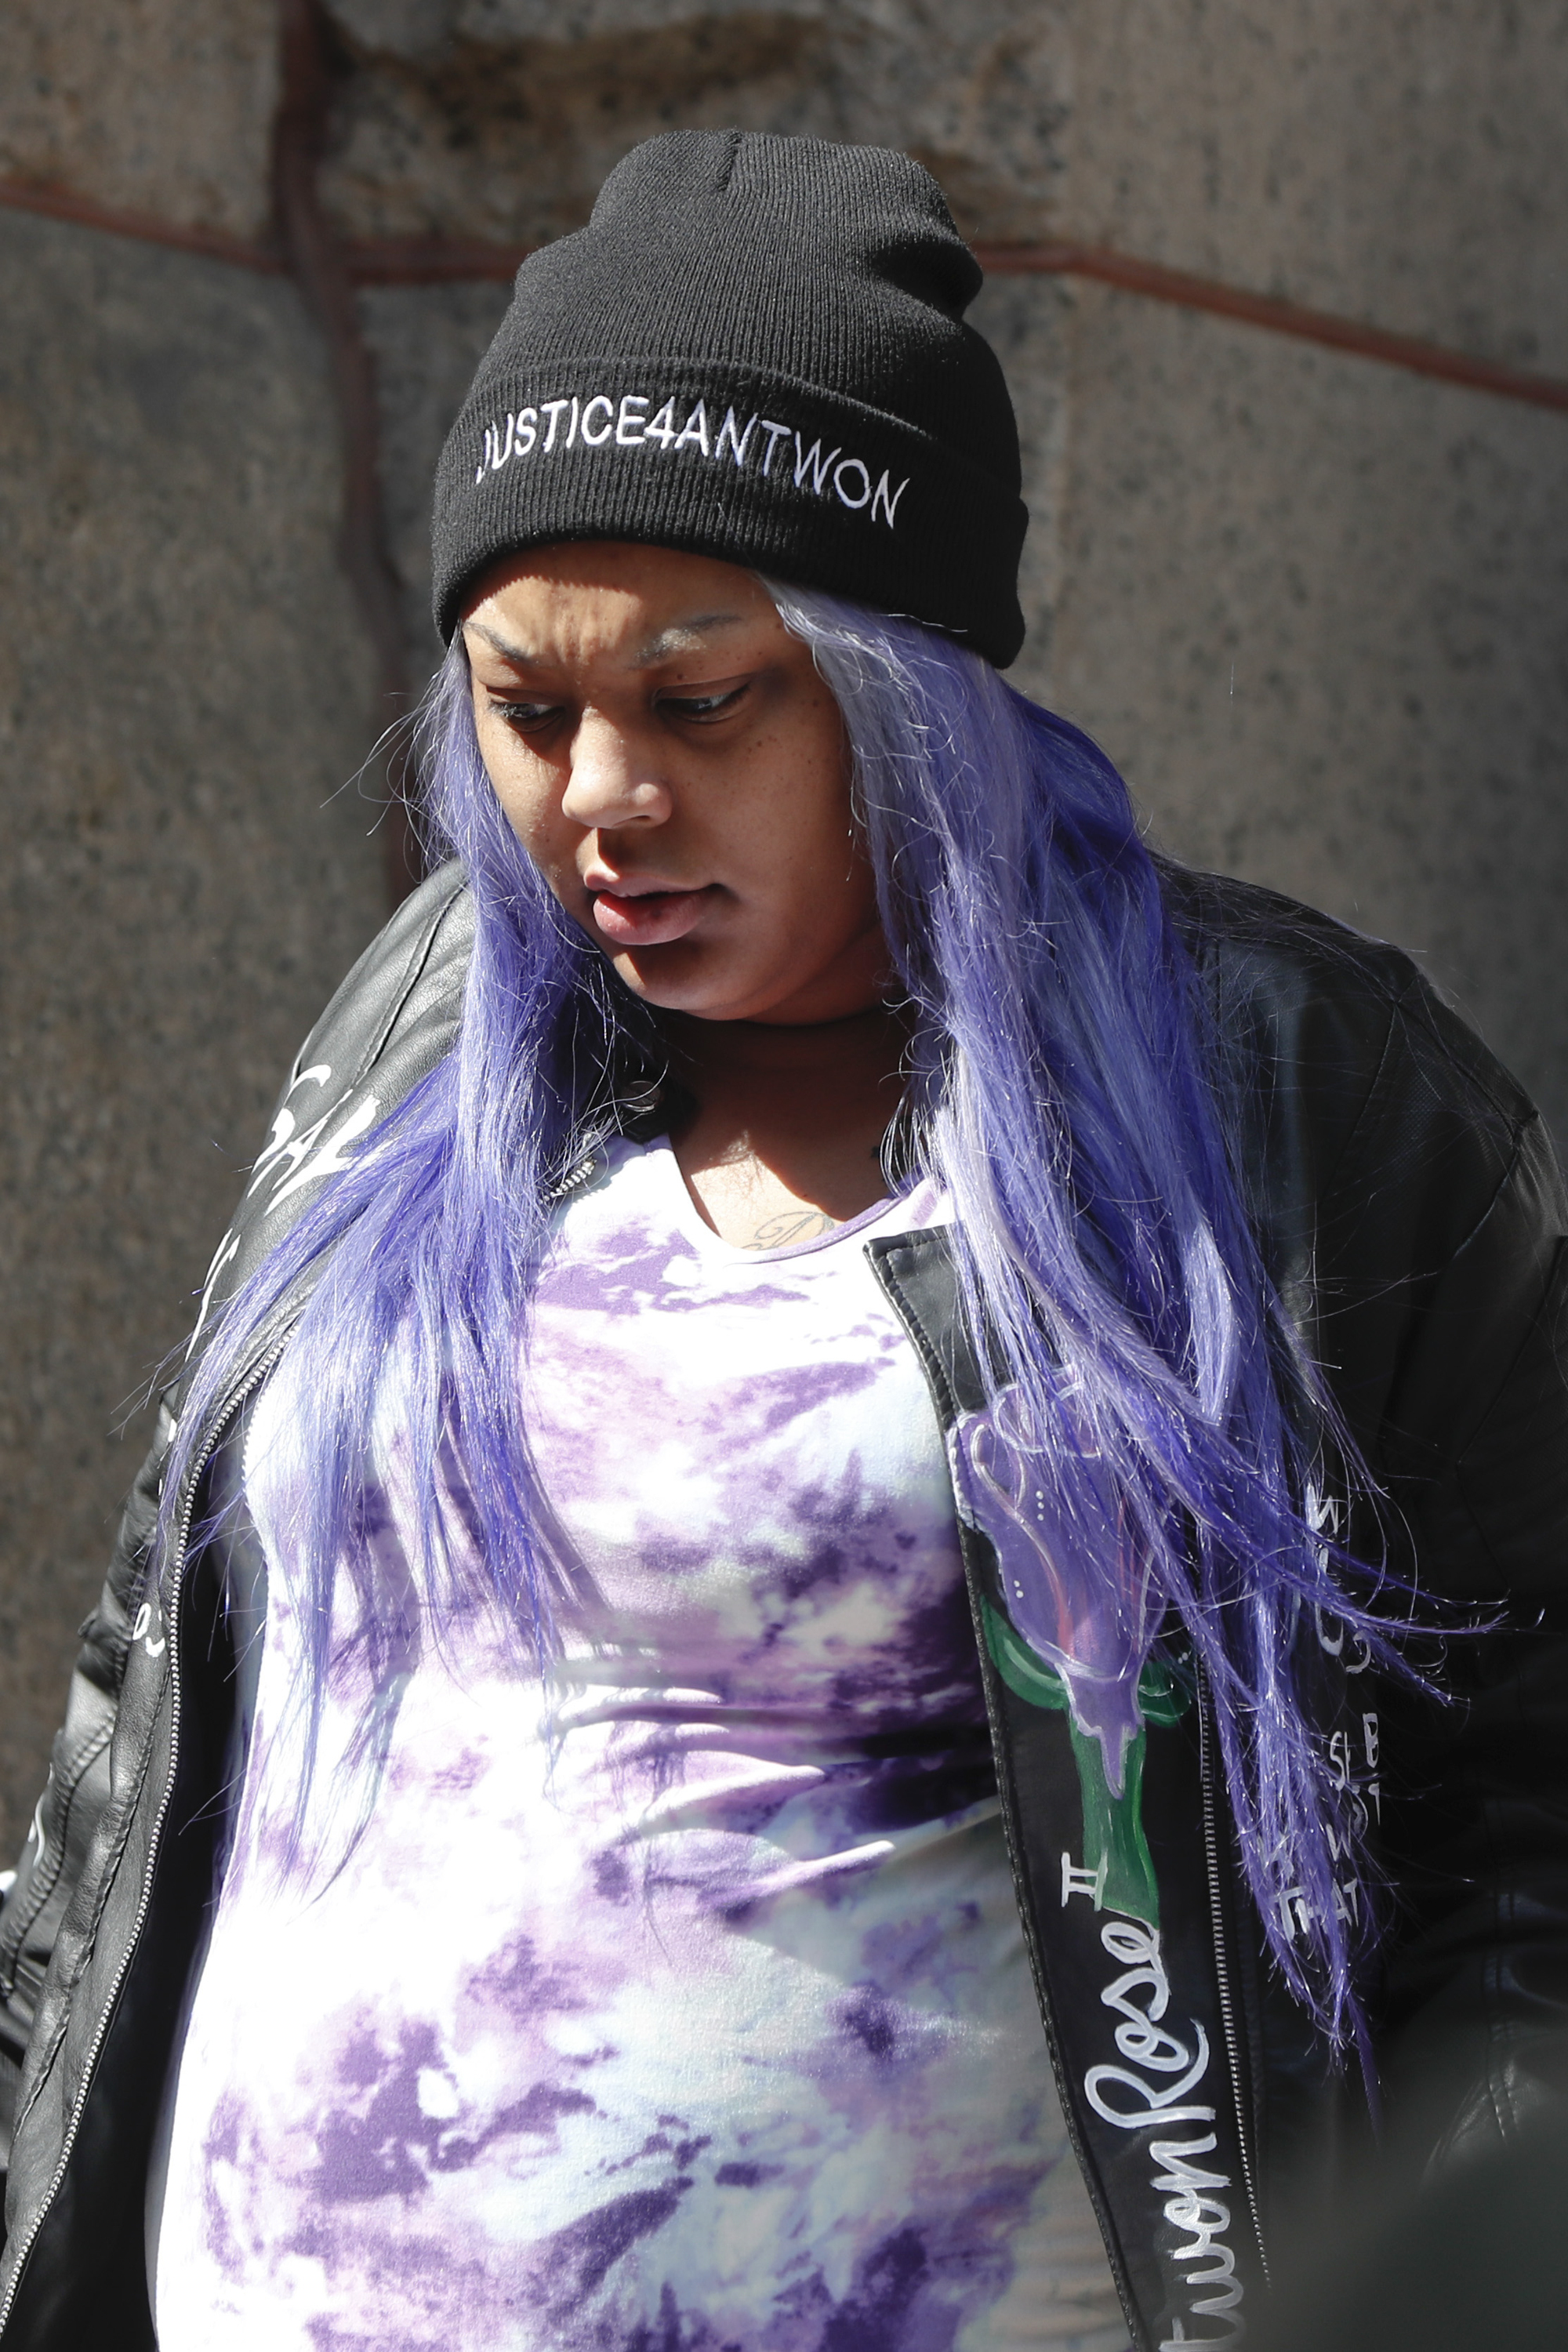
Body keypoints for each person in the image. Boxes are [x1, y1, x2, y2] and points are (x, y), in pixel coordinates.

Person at [0, 126, 1564, 2352]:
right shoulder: (421, 1046)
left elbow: (1528, 1850)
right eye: (527, 710)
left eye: (700, 698)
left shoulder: (1295, 1101)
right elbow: (128, 1734)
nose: (602, 800)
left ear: (907, 689)